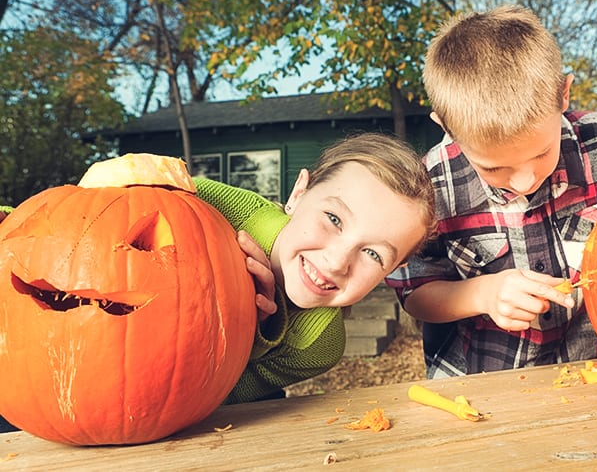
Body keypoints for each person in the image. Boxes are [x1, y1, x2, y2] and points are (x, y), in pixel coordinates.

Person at [0, 133, 436, 409]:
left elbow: (198, 402)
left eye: (374, 255)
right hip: (62, 361)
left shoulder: (319, 344)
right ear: (299, 193)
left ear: (393, 271)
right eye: (334, 219)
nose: (339, 260)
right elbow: (78, 223)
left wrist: (256, 332)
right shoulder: (201, 202)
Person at [385, 5, 597, 379]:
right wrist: (483, 294)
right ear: (446, 125)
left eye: (540, 154)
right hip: (484, 382)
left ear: (563, 94)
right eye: (493, 167)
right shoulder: (431, 184)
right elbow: (416, 293)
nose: (524, 182)